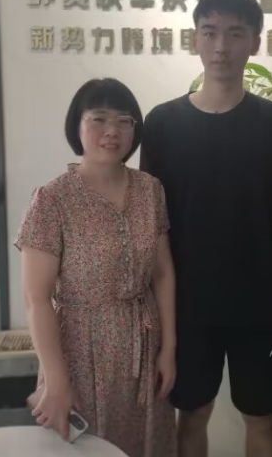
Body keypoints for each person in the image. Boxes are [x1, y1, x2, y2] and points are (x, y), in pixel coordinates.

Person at [141, 0, 272, 457]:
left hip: (261, 299)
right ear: (194, 39)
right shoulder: (162, 123)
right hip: (187, 303)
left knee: (261, 416)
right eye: (210, 32)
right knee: (192, 413)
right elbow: (150, 220)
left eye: (236, 34)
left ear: (255, 42)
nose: (221, 46)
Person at [16, 78, 177, 457]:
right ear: (77, 125)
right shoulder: (52, 199)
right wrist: (56, 381)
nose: (112, 131)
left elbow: (163, 274)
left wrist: (168, 349)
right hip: (79, 354)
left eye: (123, 121)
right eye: (99, 119)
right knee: (85, 448)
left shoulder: (150, 190)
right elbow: (36, 299)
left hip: (143, 345)